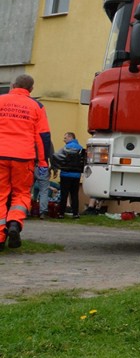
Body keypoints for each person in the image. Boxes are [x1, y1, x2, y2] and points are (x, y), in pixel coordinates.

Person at [0, 74, 50, 251]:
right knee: (21, 193)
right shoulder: (37, 106)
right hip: (24, 157)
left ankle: (0, 237)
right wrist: (43, 162)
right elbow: (42, 137)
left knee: (0, 194)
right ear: (31, 89)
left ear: (13, 85)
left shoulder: (1, 100)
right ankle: (14, 222)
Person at [54, 131, 86, 219]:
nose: (64, 140)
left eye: (65, 138)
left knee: (64, 195)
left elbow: (56, 156)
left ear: (71, 137)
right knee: (74, 195)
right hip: (76, 175)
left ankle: (61, 213)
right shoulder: (81, 148)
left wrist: (56, 167)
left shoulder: (65, 148)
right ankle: (75, 213)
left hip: (65, 174)